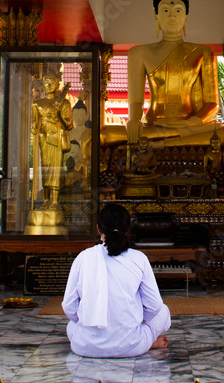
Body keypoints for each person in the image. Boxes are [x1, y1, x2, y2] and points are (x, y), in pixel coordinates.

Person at [104, 0, 224, 146]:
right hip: (153, 125)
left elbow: (213, 104)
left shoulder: (204, 53)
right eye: (165, 10)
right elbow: (136, 101)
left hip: (191, 127)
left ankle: (164, 143)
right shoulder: (139, 53)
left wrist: (189, 123)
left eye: (178, 11)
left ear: (186, 17)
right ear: (155, 15)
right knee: (104, 134)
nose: (172, 16)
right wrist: (134, 120)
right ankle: (171, 142)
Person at [62, 203, 172, 357]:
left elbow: (68, 306)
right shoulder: (138, 258)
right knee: (164, 312)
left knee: (72, 325)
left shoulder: (83, 257)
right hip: (131, 346)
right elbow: (154, 306)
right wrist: (138, 322)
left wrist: (89, 318)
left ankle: (97, 339)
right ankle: (147, 341)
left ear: (98, 229)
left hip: (85, 346)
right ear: (128, 229)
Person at [31, 70, 73, 207]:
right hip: (44, 138)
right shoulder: (37, 104)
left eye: (51, 82)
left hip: (57, 137)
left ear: (58, 83)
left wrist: (59, 115)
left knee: (56, 168)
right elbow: (34, 123)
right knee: (46, 167)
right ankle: (46, 199)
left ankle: (55, 200)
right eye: (46, 82)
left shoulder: (64, 103)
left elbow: (69, 125)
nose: (48, 85)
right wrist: (33, 128)